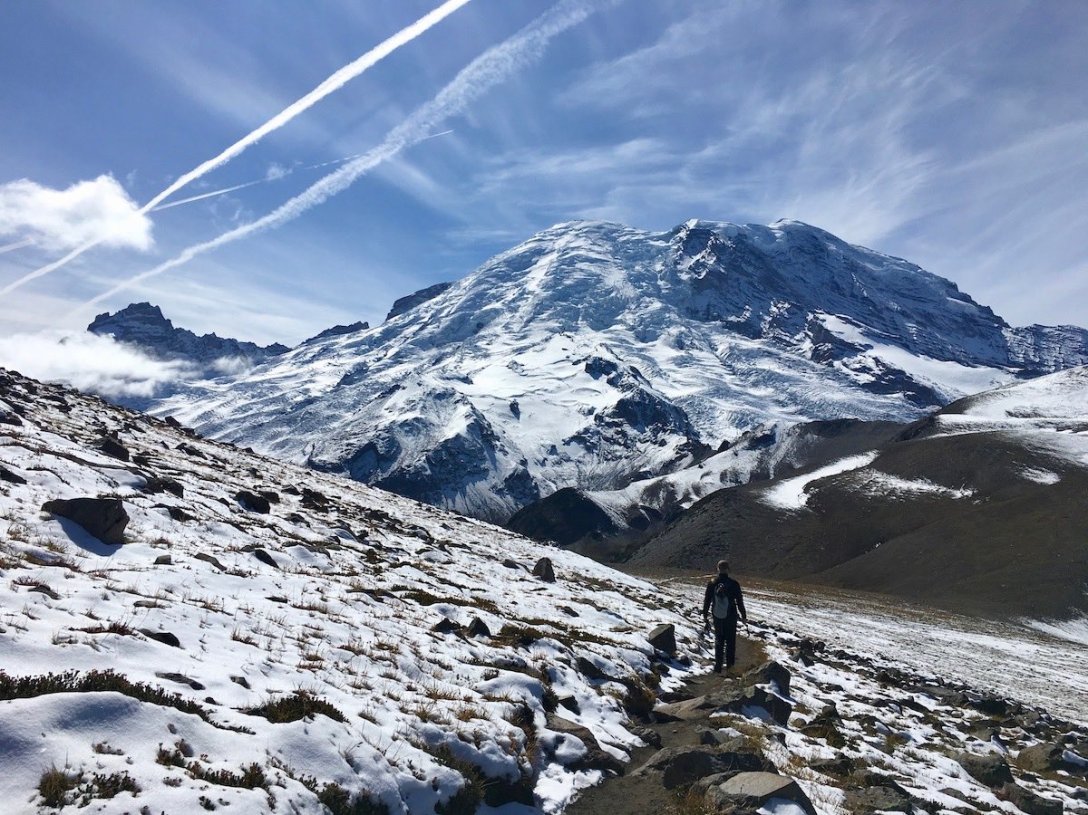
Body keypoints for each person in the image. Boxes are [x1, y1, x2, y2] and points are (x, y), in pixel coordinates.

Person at [702, 560, 747, 673]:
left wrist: (705, 615)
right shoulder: (734, 584)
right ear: (728, 569)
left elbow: (707, 600)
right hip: (731, 615)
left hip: (717, 615)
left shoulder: (712, 583)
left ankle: (718, 666)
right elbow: (740, 602)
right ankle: (730, 668)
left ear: (717, 568)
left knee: (719, 639)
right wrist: (743, 616)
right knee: (730, 641)